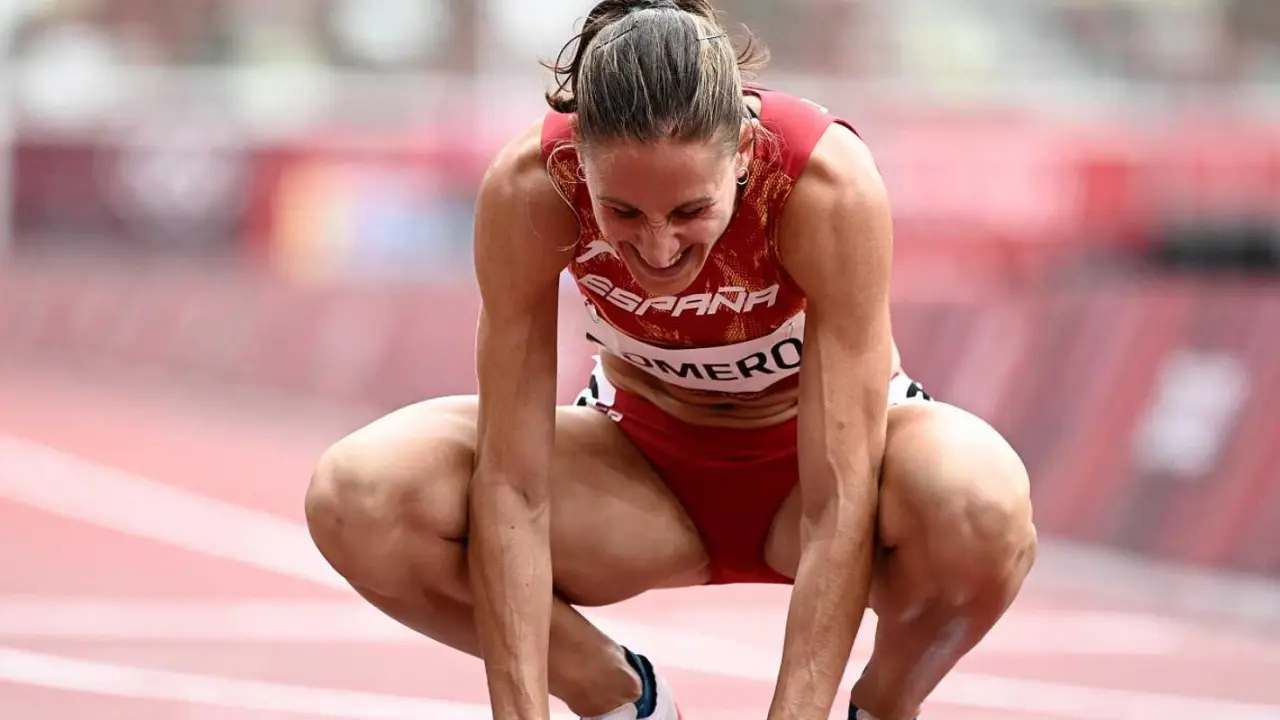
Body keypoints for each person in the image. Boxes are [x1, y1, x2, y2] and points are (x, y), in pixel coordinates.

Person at [303, 1, 1038, 719]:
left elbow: (839, 501)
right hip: (640, 476)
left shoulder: (824, 184)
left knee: (981, 504)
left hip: (823, 471)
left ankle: (885, 705)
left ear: (743, 155)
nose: (658, 250)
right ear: (579, 163)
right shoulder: (533, 185)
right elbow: (513, 486)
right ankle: (619, 695)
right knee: (359, 497)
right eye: (622, 212)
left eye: (691, 211)